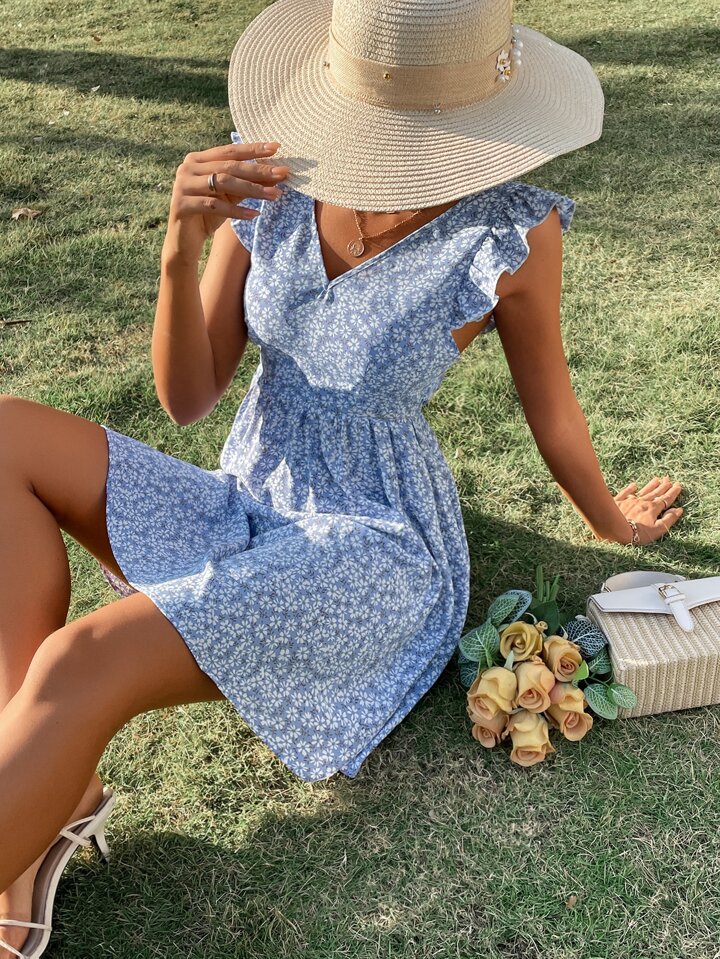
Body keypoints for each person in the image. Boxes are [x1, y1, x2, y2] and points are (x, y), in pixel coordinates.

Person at [0, 0, 684, 955]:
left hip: (373, 545)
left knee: (83, 660)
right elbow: (188, 398)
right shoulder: (276, 176)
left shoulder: (508, 232)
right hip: (248, 498)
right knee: (6, 437)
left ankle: (30, 793)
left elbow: (554, 411)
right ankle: (46, 784)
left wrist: (612, 519)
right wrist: (179, 248)